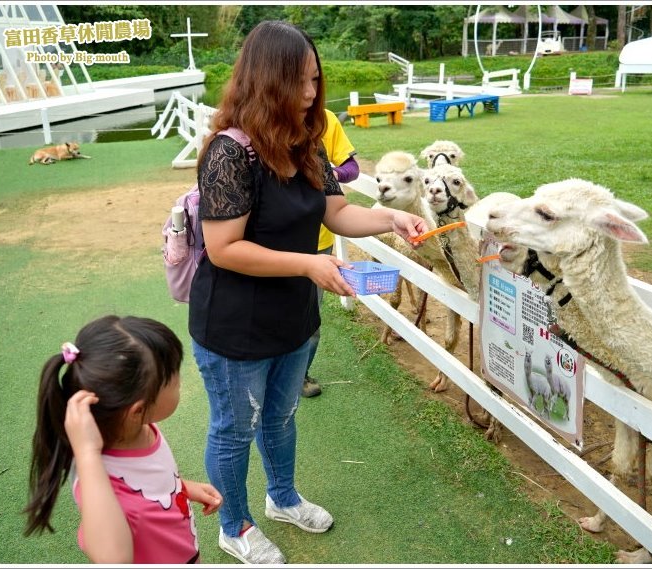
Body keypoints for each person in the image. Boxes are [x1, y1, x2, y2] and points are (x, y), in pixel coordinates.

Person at [188, 20, 426, 565]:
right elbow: (223, 248)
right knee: (233, 429)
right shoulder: (230, 152)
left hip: (293, 314)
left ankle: (282, 498)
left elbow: (337, 212)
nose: (310, 93)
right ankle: (234, 525)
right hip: (234, 323)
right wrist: (309, 264)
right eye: (297, 82)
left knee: (280, 417)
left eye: (315, 80)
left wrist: (389, 216)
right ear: (264, 81)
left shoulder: (308, 141)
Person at [24, 315, 223, 564]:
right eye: (174, 379)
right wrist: (87, 454)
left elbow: (146, 480)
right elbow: (114, 559)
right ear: (137, 410)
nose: (179, 381)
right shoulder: (95, 477)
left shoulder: (140, 429)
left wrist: (182, 488)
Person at [301, 109, 360, 398]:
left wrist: (330, 173)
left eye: (314, 81)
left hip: (320, 242)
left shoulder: (325, 120)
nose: (309, 92)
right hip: (273, 246)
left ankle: (300, 374)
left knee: (310, 317)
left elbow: (352, 168)